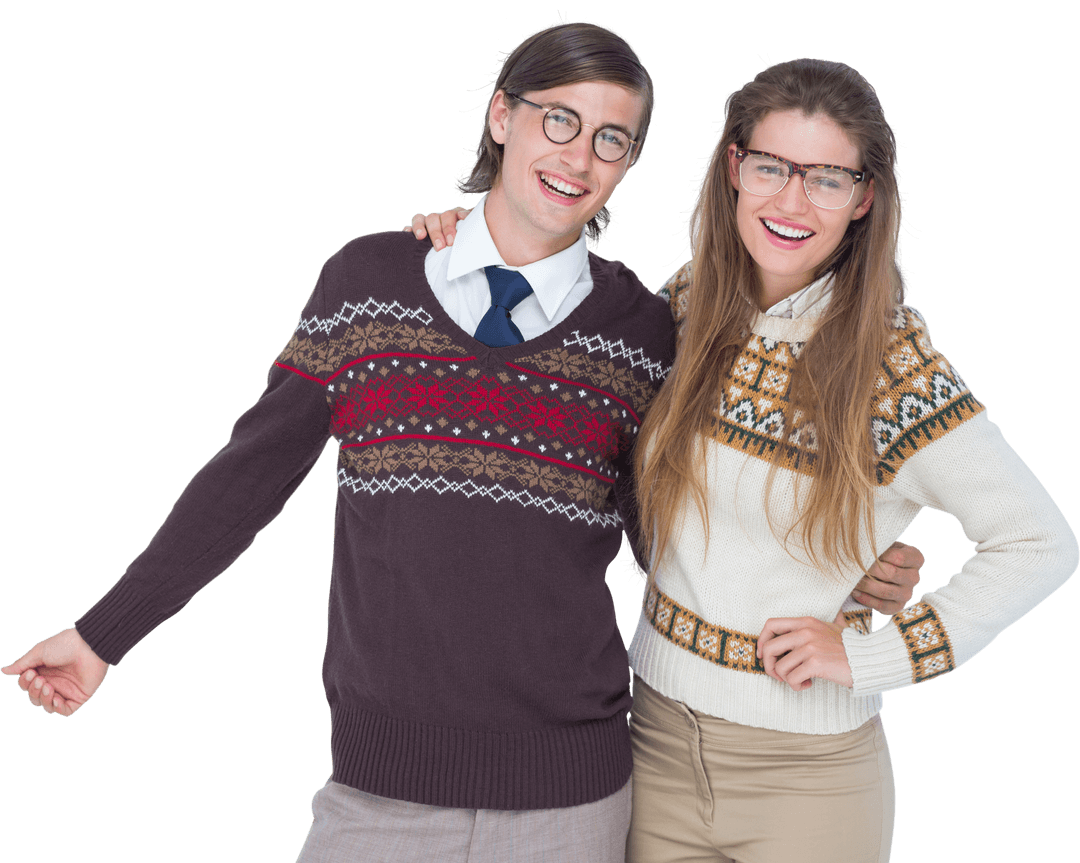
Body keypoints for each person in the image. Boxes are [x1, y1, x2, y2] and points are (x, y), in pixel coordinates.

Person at [3, 25, 922, 863]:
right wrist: (100, 635)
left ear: (630, 164)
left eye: (614, 138)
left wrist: (837, 562)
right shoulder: (369, 282)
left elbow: (679, 528)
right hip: (377, 794)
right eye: (559, 118)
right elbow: (246, 479)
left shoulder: (644, 332)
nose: (579, 154)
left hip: (576, 798)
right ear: (500, 117)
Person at [408, 57, 1077, 863]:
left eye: (827, 178)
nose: (791, 202)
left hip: (809, 784)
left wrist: (871, 654)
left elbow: (1042, 543)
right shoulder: (686, 306)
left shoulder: (892, 365)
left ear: (864, 198)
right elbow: (571, 409)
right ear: (734, 168)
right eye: (771, 167)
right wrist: (463, 243)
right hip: (650, 741)